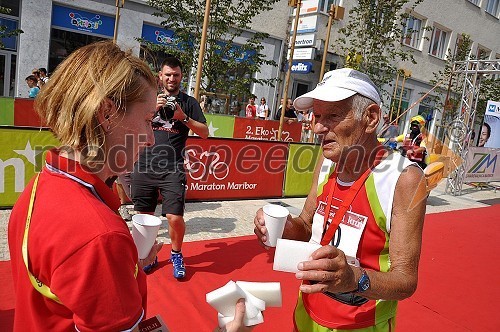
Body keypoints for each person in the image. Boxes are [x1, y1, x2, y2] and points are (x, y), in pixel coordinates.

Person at [8, 40, 248, 332]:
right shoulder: (101, 236)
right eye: (147, 121)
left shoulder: (38, 185)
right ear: (106, 112)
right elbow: (92, 247)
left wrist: (125, 264)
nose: (150, 138)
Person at [253, 68, 427, 331]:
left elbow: (405, 281)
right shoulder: (326, 160)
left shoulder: (404, 178)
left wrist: (354, 279)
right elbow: (307, 225)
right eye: (317, 116)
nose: (318, 128)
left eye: (332, 116)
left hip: (362, 323)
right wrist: (284, 229)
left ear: (370, 118)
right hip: (308, 312)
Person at [131, 55, 209, 279]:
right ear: (160, 76)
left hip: (172, 167)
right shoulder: (147, 98)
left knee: (174, 217)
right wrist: (152, 110)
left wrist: (183, 118)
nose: (172, 78)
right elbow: (131, 123)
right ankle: (149, 254)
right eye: (168, 74)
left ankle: (176, 254)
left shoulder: (188, 102)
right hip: (143, 164)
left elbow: (204, 133)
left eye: (176, 75)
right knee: (144, 218)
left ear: (181, 76)